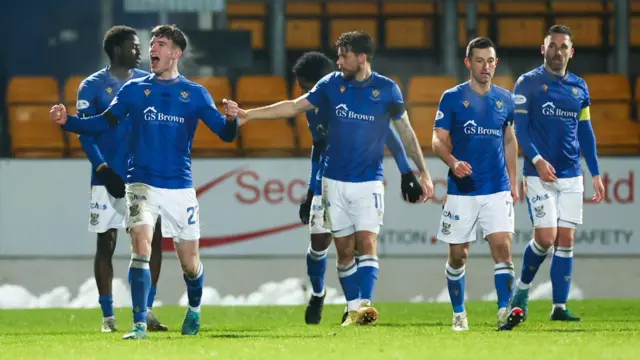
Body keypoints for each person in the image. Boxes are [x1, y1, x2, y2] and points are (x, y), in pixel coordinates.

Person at [50, 24, 242, 339]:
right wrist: (67, 121)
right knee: (140, 245)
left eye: (161, 43)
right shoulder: (134, 91)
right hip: (140, 183)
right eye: (152, 42)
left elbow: (225, 134)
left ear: (176, 53)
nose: (152, 48)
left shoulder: (194, 94)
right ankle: (139, 324)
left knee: (190, 264)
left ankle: (194, 309)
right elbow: (101, 123)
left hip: (179, 187)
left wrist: (232, 119)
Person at [238, 31, 434, 327]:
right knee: (342, 251)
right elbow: (292, 106)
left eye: (344, 55)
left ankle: (365, 305)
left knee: (367, 241)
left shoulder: (387, 89)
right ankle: (351, 309)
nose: (338, 61)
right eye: (338, 55)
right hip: (332, 182)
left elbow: (402, 132)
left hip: (369, 180)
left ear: (362, 58)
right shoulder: (329, 87)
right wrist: (248, 115)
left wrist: (418, 171)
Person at [293, 51, 425, 325]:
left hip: (358, 180)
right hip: (327, 181)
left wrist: (406, 172)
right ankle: (318, 293)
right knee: (318, 243)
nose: (305, 93)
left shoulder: (349, 100)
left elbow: (390, 135)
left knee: (354, 246)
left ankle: (353, 307)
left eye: (307, 87)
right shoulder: (313, 110)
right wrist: (310, 190)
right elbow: (318, 149)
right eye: (302, 88)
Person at [508, 24, 604, 322]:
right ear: (543, 49)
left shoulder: (579, 87)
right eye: (552, 45)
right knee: (546, 237)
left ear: (571, 52)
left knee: (566, 239)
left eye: (563, 46)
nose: (557, 51)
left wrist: (596, 173)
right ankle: (522, 290)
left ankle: (559, 308)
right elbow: (519, 129)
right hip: (538, 174)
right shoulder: (528, 83)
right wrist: (536, 160)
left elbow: (585, 132)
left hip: (572, 174)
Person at [76, 25, 166, 333]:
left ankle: (148, 310)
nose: (139, 51)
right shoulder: (91, 86)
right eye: (133, 46)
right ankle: (108, 317)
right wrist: (102, 168)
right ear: (117, 50)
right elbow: (86, 132)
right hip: (107, 177)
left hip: (142, 176)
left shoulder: (148, 82)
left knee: (152, 241)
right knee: (107, 243)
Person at [432, 37, 523, 331]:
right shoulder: (453, 97)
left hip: (496, 187)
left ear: (496, 63)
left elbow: (509, 140)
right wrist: (453, 162)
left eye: (491, 61)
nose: (486, 67)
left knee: (503, 249)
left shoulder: (505, 99)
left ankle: (503, 311)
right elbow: (437, 140)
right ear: (468, 63)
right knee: (458, 256)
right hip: (463, 190)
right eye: (480, 61)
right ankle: (459, 313)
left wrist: (513, 179)